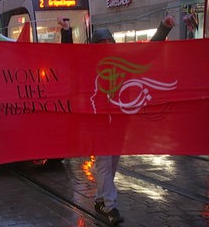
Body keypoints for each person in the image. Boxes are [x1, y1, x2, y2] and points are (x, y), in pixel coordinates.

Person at [58, 15, 174, 225]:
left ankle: (101, 199)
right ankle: (110, 207)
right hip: (99, 121)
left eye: (109, 43)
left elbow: (147, 54)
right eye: (102, 44)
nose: (106, 47)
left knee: (112, 164)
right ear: (94, 47)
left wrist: (163, 29)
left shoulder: (123, 60)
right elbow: (69, 58)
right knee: (104, 162)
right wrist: (66, 32)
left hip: (120, 121)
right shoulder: (88, 64)